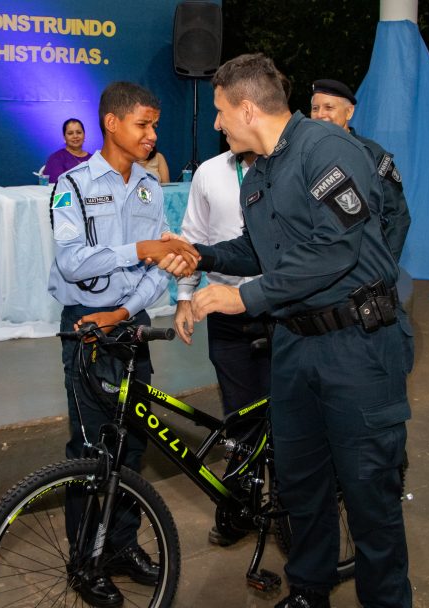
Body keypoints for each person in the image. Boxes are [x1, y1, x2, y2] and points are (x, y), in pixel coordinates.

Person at [163, 54, 412, 608]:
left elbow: (335, 247)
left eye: (222, 110)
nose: (217, 123)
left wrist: (243, 295)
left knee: (370, 495)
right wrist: (199, 254)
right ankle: (309, 591)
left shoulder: (326, 150)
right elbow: (262, 249)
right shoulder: (260, 172)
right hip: (295, 347)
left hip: (357, 348)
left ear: (248, 108)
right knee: (303, 486)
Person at [48, 81, 199, 607]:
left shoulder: (150, 188)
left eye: (155, 125)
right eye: (143, 124)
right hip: (86, 329)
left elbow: (159, 270)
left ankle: (120, 547)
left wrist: (124, 310)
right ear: (111, 123)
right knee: (92, 452)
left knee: (132, 446)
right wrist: (139, 248)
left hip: (127, 326)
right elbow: (71, 261)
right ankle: (85, 563)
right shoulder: (71, 184)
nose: (152, 135)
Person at [174, 149, 271, 546]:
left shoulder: (283, 167)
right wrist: (184, 297)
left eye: (224, 110)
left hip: (276, 307)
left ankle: (290, 514)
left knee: (285, 418)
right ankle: (239, 509)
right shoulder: (210, 172)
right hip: (223, 312)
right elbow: (193, 235)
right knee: (239, 416)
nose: (218, 122)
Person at [311, 79, 411, 261]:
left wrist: (383, 265)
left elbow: (398, 215)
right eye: (315, 108)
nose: (320, 114)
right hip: (317, 261)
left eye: (328, 107)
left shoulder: (373, 154)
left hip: (362, 264)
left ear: (349, 112)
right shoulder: (305, 154)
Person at [44, 118, 90, 183]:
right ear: (64, 137)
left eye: (79, 132)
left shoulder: (93, 159)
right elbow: (54, 187)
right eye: (70, 133)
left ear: (84, 135)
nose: (75, 136)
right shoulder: (56, 158)